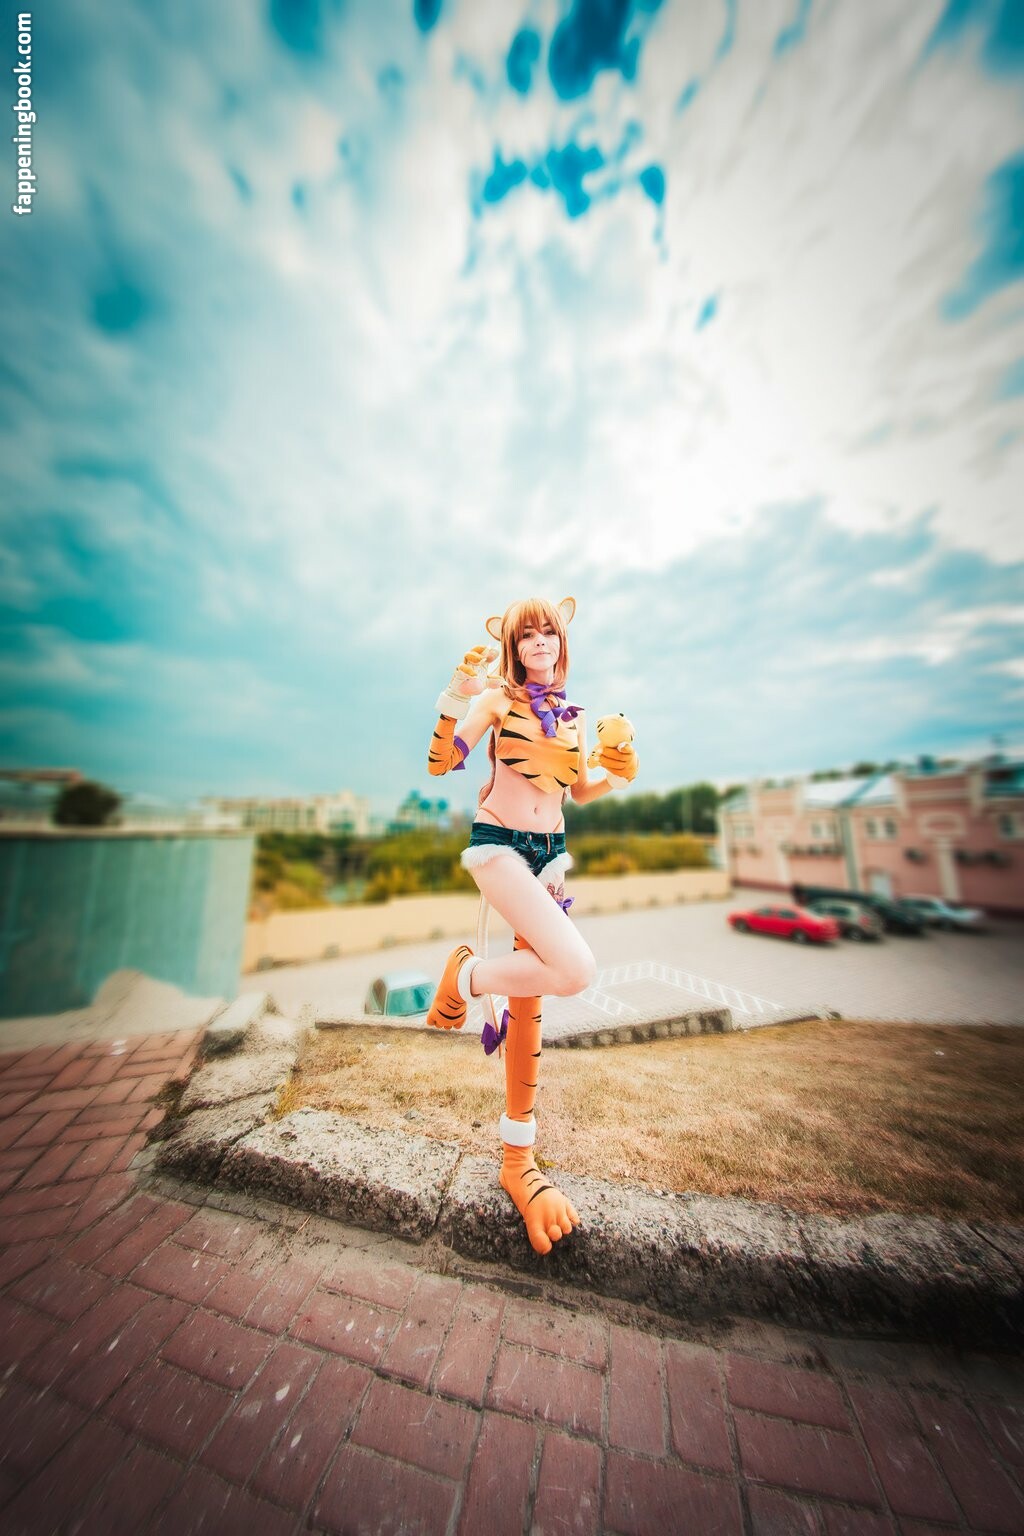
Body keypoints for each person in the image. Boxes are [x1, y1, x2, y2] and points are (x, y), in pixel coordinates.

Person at [425, 596, 638, 1254]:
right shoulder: (497, 700)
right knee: (576, 969)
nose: (541, 640)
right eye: (528, 634)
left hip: (551, 856)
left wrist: (618, 773)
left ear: (561, 642)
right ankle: (467, 975)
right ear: (514, 646)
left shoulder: (571, 715)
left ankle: (518, 1160)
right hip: (501, 847)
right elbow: (443, 761)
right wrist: (453, 697)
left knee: (532, 999)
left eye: (550, 631)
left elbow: (578, 790)